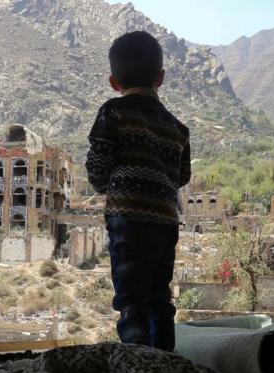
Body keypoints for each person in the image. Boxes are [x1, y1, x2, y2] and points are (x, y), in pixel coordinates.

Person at [85, 31, 191, 351]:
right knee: (160, 297)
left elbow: (98, 171)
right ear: (160, 78)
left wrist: (112, 184)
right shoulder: (177, 128)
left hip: (128, 222)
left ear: (113, 82)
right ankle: (165, 365)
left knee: (131, 299)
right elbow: (182, 177)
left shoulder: (112, 113)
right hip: (165, 222)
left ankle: (138, 365)